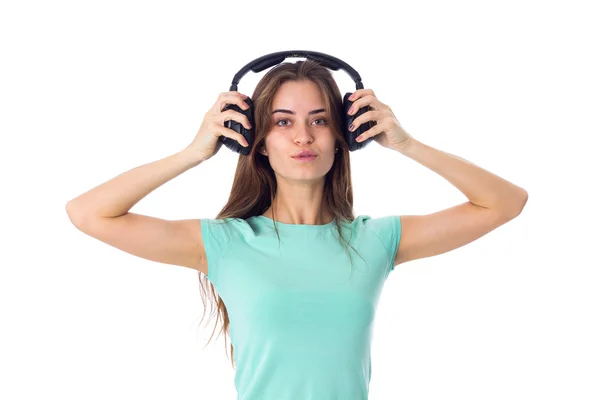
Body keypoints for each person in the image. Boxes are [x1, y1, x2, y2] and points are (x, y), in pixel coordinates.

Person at [66, 59, 528, 399]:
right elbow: (88, 213)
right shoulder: (226, 244)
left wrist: (406, 144)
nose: (303, 137)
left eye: (320, 121)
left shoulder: (376, 240)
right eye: (282, 122)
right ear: (256, 140)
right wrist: (195, 152)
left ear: (346, 135)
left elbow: (506, 202)